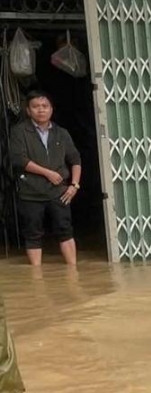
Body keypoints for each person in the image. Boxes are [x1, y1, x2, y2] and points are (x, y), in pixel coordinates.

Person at [8, 90, 81, 266]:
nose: (41, 110)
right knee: (33, 234)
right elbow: (19, 160)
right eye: (35, 106)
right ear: (28, 110)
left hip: (59, 192)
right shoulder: (19, 132)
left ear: (51, 109)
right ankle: (36, 275)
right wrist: (47, 173)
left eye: (45, 106)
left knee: (65, 231)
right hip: (30, 192)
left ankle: (73, 270)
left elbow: (75, 160)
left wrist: (74, 185)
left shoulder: (61, 133)